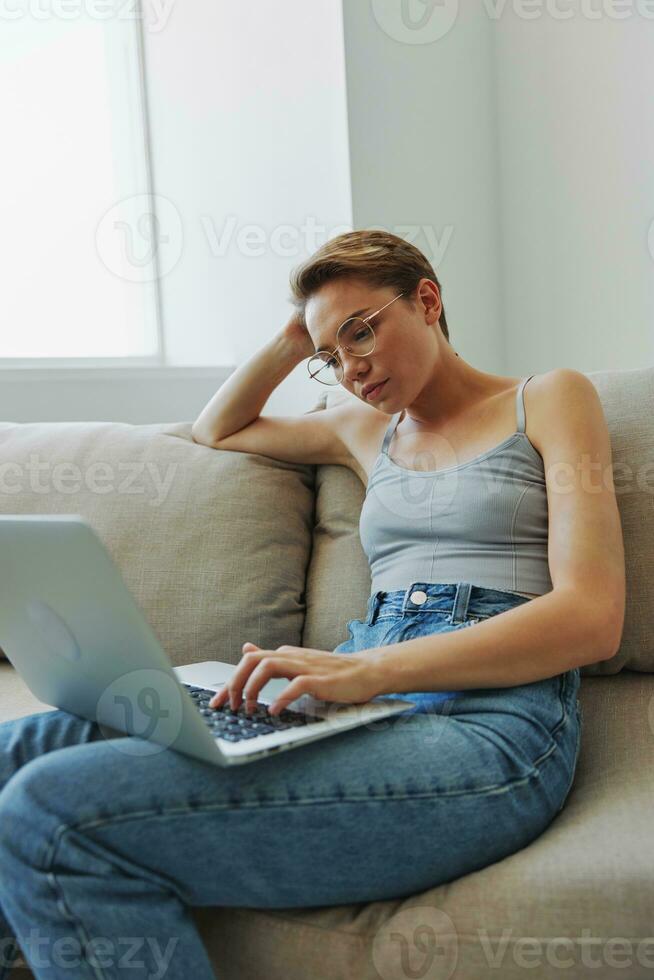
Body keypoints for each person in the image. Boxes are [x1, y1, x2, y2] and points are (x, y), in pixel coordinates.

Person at [0, 230, 625, 979]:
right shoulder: (365, 432)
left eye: (362, 332)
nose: (350, 368)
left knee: (53, 806)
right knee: (22, 751)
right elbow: (216, 429)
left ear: (427, 300)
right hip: (359, 698)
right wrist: (298, 338)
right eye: (333, 356)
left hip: (484, 723)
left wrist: (371, 671)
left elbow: (592, 615)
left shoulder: (548, 398)